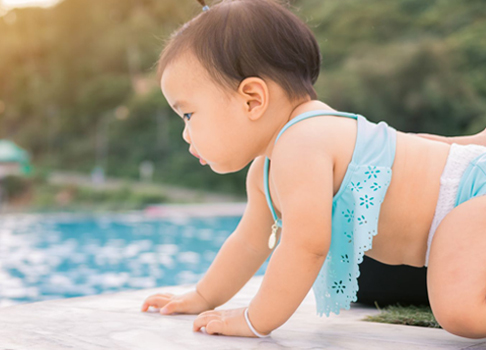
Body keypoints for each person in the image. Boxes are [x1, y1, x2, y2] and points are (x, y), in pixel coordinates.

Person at [140, 0, 486, 339]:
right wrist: (202, 297)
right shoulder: (267, 167)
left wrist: (254, 319)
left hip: (475, 195)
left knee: (458, 308)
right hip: (466, 208)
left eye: (188, 115)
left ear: (252, 100)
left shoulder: (303, 141)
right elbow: (247, 243)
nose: (186, 133)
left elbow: (307, 246)